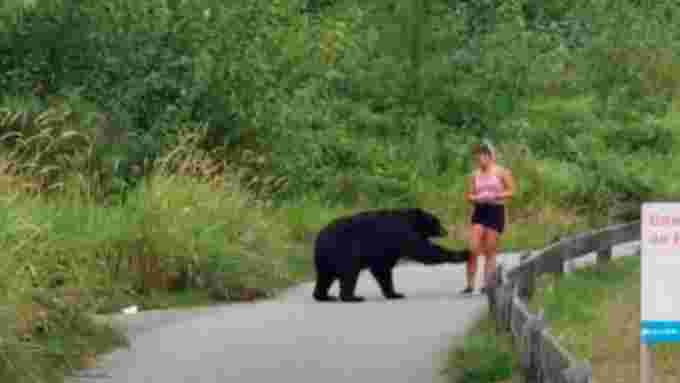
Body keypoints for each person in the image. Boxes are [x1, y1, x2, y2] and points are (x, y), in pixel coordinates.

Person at [461, 140, 515, 294]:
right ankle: (470, 285)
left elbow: (512, 191)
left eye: (483, 157)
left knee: (490, 249)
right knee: (473, 247)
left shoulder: (502, 172)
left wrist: (498, 195)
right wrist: (475, 198)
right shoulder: (474, 175)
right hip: (480, 211)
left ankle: (487, 284)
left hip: (496, 210)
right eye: (477, 158)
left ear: (491, 157)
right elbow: (469, 195)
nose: (479, 160)